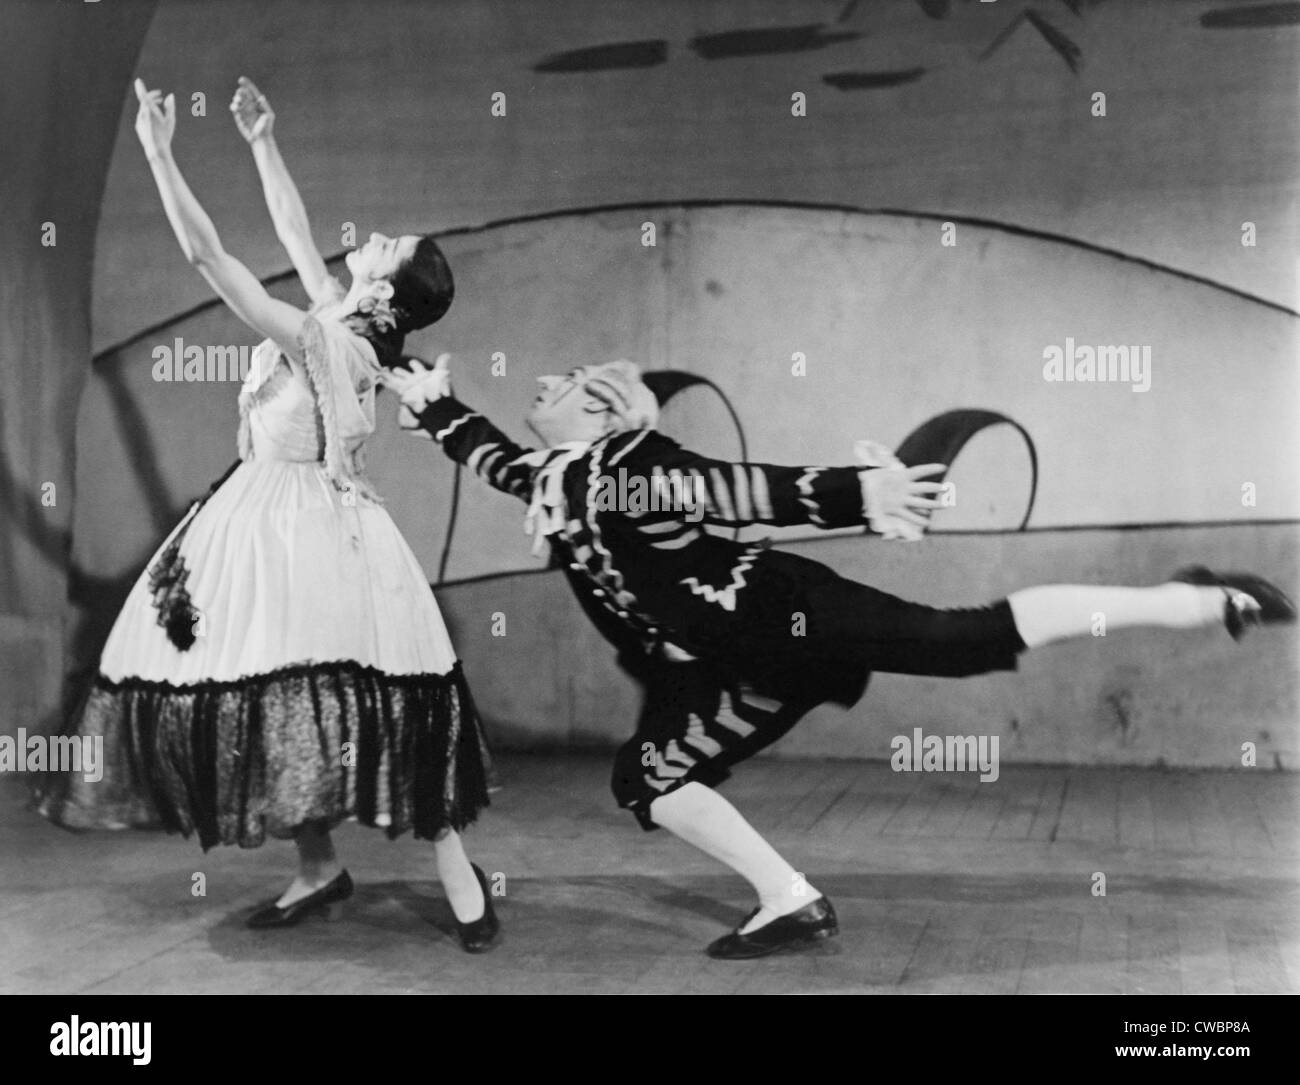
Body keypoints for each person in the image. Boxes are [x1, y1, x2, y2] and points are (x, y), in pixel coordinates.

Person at [380, 353, 1295, 959]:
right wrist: (422, 393)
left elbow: (748, 490)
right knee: (651, 776)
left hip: (784, 617)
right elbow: (488, 453)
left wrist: (865, 492)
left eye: (568, 378)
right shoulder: (556, 477)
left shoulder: (630, 465)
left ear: (604, 410)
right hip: (721, 662)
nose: (543, 379)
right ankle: (790, 898)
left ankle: (1198, 597)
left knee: (965, 640)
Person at [40, 79, 498, 953]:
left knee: (384, 704)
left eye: (390, 245)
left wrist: (159, 153)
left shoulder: (330, 338)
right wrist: (261, 143)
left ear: (389, 292)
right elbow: (292, 229)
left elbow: (214, 262)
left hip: (319, 533)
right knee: (265, 695)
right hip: (257, 518)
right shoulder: (337, 314)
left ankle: (458, 874)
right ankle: (320, 866)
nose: (374, 238)